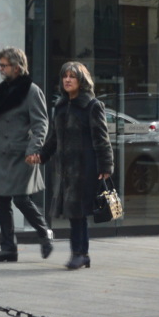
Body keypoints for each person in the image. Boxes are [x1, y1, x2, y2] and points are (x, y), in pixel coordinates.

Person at [39, 61, 113, 270]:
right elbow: (54, 138)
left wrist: (105, 167)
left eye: (73, 76)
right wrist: (41, 155)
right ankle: (80, 254)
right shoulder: (61, 106)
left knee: (78, 213)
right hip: (65, 171)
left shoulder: (91, 105)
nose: (68, 80)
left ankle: (81, 253)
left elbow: (102, 139)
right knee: (73, 214)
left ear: (82, 80)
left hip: (85, 168)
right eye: (65, 76)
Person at [0, 47, 51, 262]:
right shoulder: (0, 91)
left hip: (22, 154)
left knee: (21, 199)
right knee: (1, 201)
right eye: (0, 65)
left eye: (4, 65)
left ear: (17, 67)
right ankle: (8, 249)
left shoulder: (31, 91)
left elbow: (41, 124)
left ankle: (44, 232)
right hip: (1, 154)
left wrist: (34, 149)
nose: (1, 69)